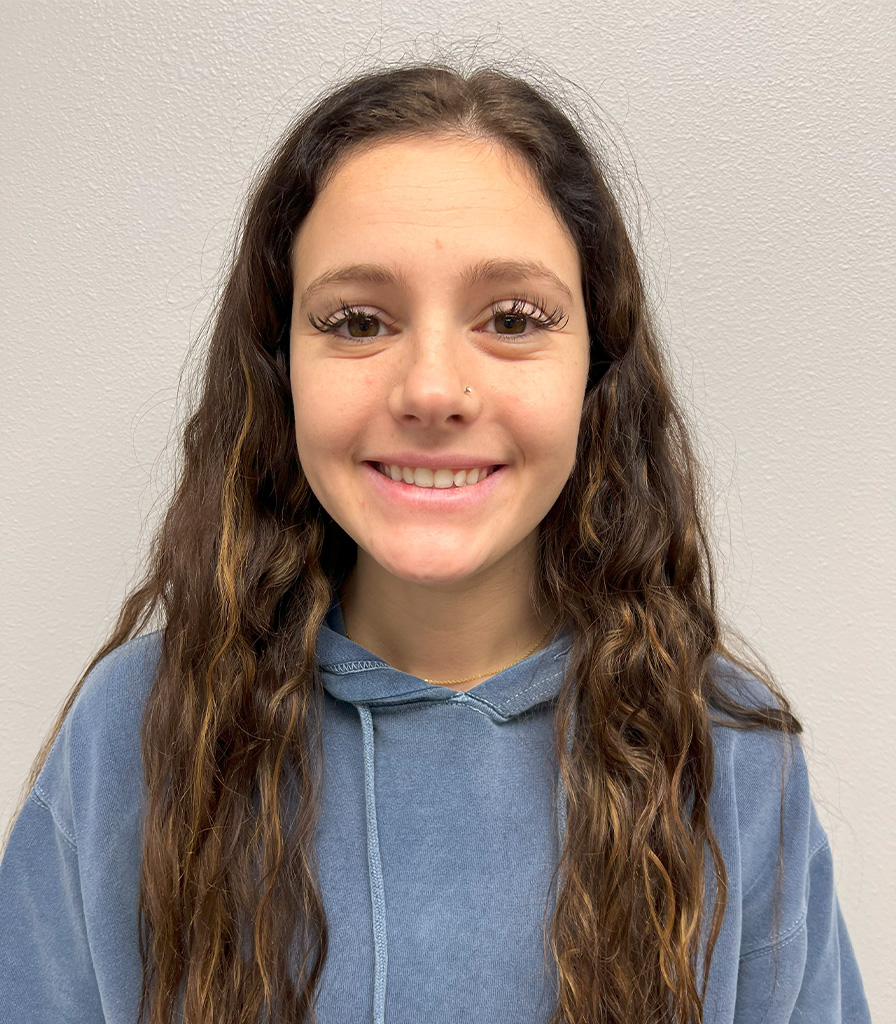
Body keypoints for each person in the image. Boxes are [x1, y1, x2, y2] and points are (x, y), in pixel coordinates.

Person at [0, 58, 873, 1024]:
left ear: (598, 366)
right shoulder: (139, 731)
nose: (430, 390)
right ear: (279, 364)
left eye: (511, 319)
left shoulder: (727, 756)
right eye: (358, 321)